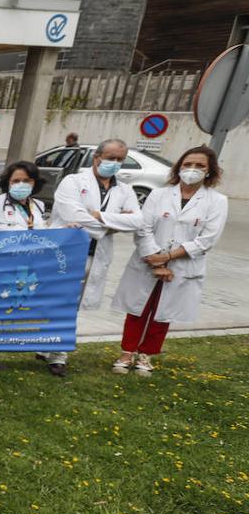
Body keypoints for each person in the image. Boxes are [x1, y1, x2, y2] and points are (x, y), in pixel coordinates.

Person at [111, 147, 227, 376]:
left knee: (163, 312)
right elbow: (143, 228)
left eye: (200, 166)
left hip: (182, 266)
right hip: (148, 261)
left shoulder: (217, 201)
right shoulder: (159, 194)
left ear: (209, 171)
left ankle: (146, 355)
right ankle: (126, 352)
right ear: (179, 167)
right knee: (137, 309)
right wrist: (156, 262)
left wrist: (167, 258)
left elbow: (208, 239)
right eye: (187, 164)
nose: (192, 170)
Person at [46, 138, 142, 375]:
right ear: (96, 158)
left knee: (73, 306)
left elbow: (138, 221)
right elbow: (70, 213)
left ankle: (57, 352)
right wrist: (112, 223)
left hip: (94, 256)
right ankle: (52, 349)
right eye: (111, 158)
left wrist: (97, 216)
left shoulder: (125, 189)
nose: (115, 163)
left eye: (120, 159)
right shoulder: (73, 181)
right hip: (66, 254)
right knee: (57, 303)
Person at [0, 161, 49, 372]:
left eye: (26, 181)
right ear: (8, 182)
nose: (21, 184)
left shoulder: (38, 207)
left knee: (1, 313)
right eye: (16, 181)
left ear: (34, 183)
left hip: (23, 270)